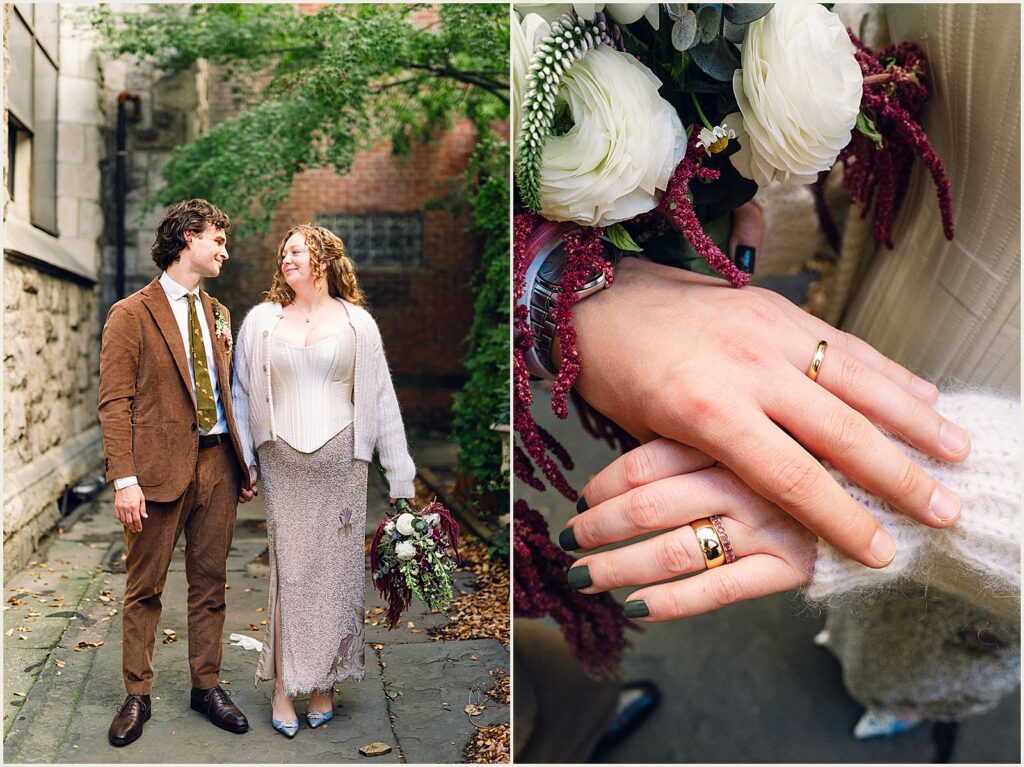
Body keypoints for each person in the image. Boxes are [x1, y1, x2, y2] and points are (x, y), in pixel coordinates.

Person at [232, 224, 416, 738]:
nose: (286, 258)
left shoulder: (358, 323)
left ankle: (324, 684)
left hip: (342, 461)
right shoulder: (261, 321)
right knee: (290, 574)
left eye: (297, 250)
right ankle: (282, 686)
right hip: (282, 461)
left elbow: (381, 400)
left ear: (324, 259)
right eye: (283, 253)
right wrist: (245, 459)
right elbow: (242, 394)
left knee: (335, 575)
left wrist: (400, 475)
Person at [98, 198, 256, 747]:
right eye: (218, 240)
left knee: (210, 585)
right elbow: (114, 403)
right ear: (189, 237)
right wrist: (124, 479)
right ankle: (137, 694)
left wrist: (242, 459)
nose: (225, 252)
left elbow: (228, 392)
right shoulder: (130, 314)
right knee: (145, 588)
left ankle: (205, 686)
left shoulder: (219, 313)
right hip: (155, 473)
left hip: (219, 465)